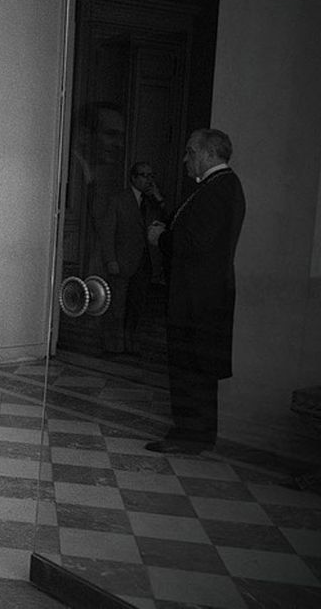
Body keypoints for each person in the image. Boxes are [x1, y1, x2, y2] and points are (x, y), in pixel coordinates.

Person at [146, 128, 245, 454]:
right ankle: (195, 434)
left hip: (199, 299)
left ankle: (189, 436)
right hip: (201, 296)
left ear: (208, 153)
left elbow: (194, 244)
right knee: (196, 368)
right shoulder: (217, 187)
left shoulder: (218, 190)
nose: (186, 159)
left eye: (190, 152)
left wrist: (160, 239)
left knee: (192, 369)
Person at [98, 161, 165, 356]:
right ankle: (113, 345)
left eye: (151, 175)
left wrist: (159, 199)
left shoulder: (152, 202)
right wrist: (111, 259)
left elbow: (166, 221)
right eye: (144, 175)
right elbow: (107, 232)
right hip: (122, 261)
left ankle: (131, 341)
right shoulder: (119, 200)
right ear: (133, 178)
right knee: (117, 305)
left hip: (145, 262)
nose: (148, 180)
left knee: (137, 305)